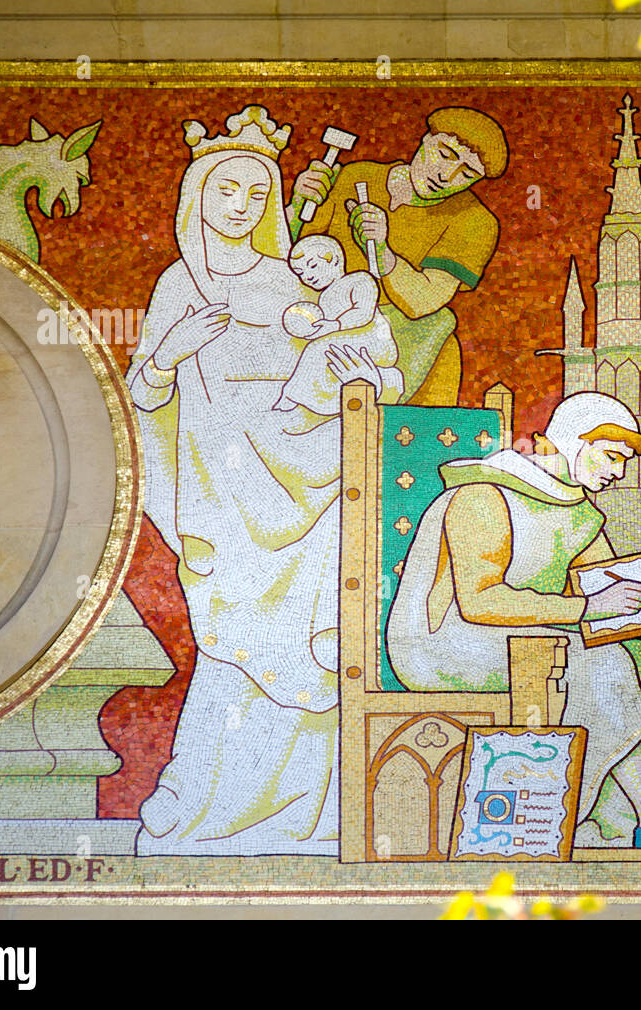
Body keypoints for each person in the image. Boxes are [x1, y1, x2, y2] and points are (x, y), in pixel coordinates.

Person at [126, 106, 376, 855]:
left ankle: (314, 817)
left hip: (309, 478)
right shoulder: (180, 282)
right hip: (223, 492)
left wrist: (352, 373)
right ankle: (205, 810)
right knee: (236, 646)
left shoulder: (288, 280)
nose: (243, 207)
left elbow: (339, 351)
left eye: (259, 195)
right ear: (197, 195)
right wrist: (169, 354)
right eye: (227, 191)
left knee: (315, 646)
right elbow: (143, 394)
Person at [386, 392, 641, 853]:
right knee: (602, 663)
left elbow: (613, 597)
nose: (619, 472)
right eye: (612, 456)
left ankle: (606, 821)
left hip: (536, 639)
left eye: (626, 461)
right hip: (444, 643)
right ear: (574, 442)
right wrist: (590, 609)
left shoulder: (580, 511)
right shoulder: (484, 494)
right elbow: (478, 601)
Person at [290, 107, 508, 406]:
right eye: (445, 154)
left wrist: (382, 251)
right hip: (321, 319)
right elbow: (295, 255)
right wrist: (296, 204)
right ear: (425, 139)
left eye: (467, 173)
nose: (447, 176)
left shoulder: (475, 222)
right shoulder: (358, 175)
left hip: (400, 344)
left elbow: (424, 301)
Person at [275, 235, 403, 414]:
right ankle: (322, 402)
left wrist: (335, 325)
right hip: (349, 343)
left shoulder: (361, 280)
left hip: (374, 341)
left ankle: (290, 396)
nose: (308, 276)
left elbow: (363, 313)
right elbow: (330, 331)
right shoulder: (325, 296)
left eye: (312, 266)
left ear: (335, 260)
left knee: (315, 350)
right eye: (300, 272)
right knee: (322, 356)